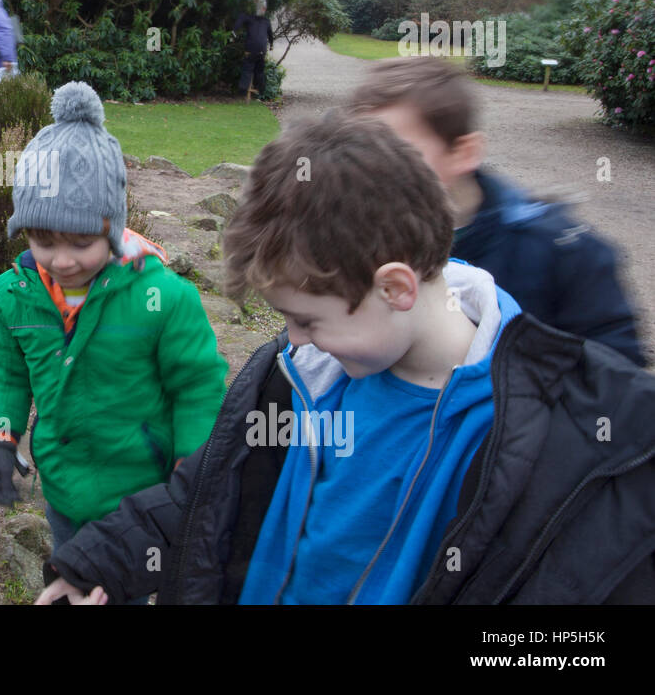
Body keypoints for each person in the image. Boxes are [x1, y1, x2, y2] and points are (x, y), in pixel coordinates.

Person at [37, 111, 655, 605]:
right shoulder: (300, 376)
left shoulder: (552, 442)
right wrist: (97, 563)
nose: (293, 341)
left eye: (308, 320)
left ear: (395, 288)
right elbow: (205, 494)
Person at [0, 81, 228, 599]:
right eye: (43, 241)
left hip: (143, 501)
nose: (62, 260)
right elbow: (6, 372)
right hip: (66, 492)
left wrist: (192, 472)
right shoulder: (12, 295)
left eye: (81, 242)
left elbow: (198, 386)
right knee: (76, 585)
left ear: (112, 229)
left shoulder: (166, 297)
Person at [348, 56, 646, 367]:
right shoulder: (357, 242)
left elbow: (616, 381)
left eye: (397, 153)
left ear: (464, 153)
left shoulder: (564, 253)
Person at [234, 0, 274, 101]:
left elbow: (240, 20)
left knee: (247, 68)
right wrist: (271, 45)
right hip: (262, 51)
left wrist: (233, 32)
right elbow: (270, 36)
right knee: (259, 71)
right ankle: (261, 89)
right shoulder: (266, 22)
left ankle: (243, 90)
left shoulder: (248, 18)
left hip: (250, 49)